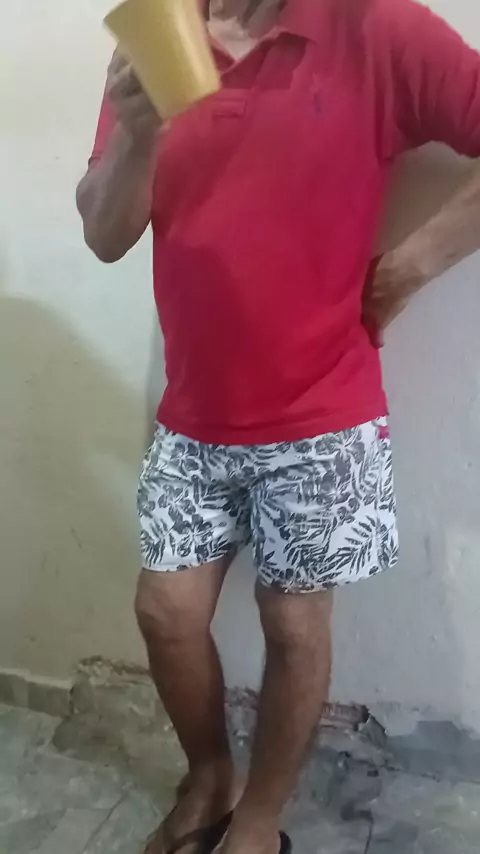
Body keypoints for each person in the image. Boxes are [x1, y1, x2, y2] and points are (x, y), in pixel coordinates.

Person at [77, 0, 480, 852]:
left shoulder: (373, 28)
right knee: (166, 612)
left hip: (321, 408)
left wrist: (408, 268)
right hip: (194, 414)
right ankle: (210, 776)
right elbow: (105, 235)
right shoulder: (157, 31)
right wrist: (138, 136)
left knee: (295, 625)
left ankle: (259, 821)